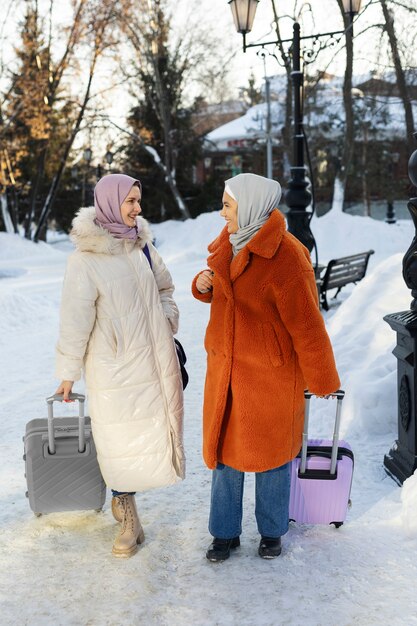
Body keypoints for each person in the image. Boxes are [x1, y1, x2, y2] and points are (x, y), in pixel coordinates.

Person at [192, 173, 340, 562]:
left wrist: (322, 378)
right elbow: (223, 289)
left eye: (227, 205)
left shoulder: (288, 255)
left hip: (269, 376)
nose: (221, 213)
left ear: (251, 205)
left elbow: (307, 325)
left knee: (271, 458)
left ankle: (272, 532)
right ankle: (223, 533)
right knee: (225, 457)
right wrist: (202, 284)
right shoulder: (229, 242)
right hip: (225, 371)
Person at [55, 174, 185, 558]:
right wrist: (67, 372)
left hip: (153, 358)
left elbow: (165, 288)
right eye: (130, 201)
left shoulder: (142, 246)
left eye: (138, 201)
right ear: (110, 203)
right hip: (113, 367)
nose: (137, 208)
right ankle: (129, 516)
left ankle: (124, 503)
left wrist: (165, 318)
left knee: (150, 434)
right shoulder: (85, 260)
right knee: (118, 443)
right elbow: (74, 320)